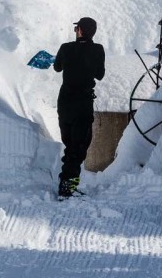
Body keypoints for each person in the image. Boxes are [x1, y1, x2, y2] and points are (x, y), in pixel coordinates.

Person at [53, 16, 105, 197]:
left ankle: (66, 183)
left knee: (70, 144)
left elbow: (57, 67)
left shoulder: (66, 48)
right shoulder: (98, 50)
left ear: (80, 30)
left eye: (77, 28)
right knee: (80, 145)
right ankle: (68, 185)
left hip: (65, 102)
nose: (75, 31)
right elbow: (100, 75)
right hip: (83, 103)